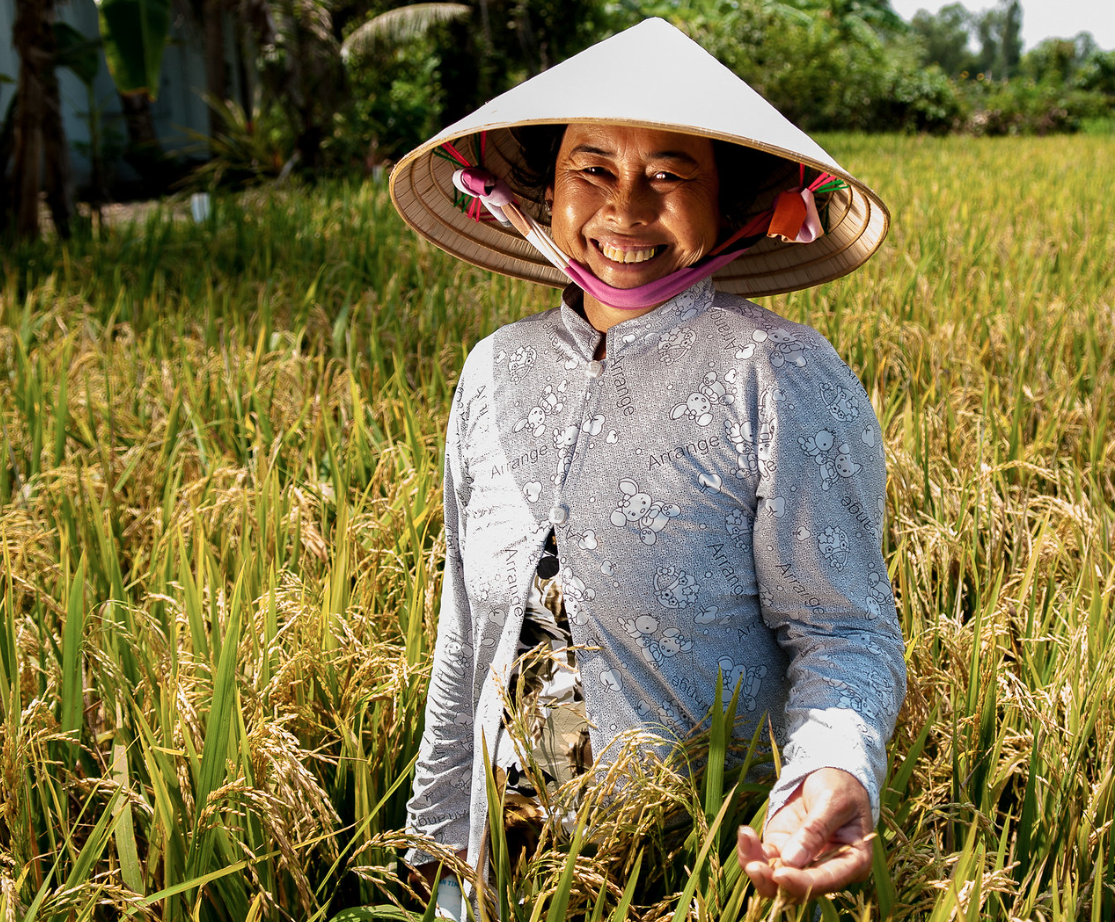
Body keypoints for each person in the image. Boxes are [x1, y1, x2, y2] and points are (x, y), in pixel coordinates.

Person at [387, 18, 906, 909]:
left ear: (732, 202)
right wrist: (437, 830)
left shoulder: (778, 377)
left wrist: (830, 769)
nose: (624, 209)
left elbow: (843, 631)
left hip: (698, 847)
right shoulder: (494, 369)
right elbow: (466, 626)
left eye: (668, 175)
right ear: (542, 191)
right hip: (507, 848)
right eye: (592, 170)